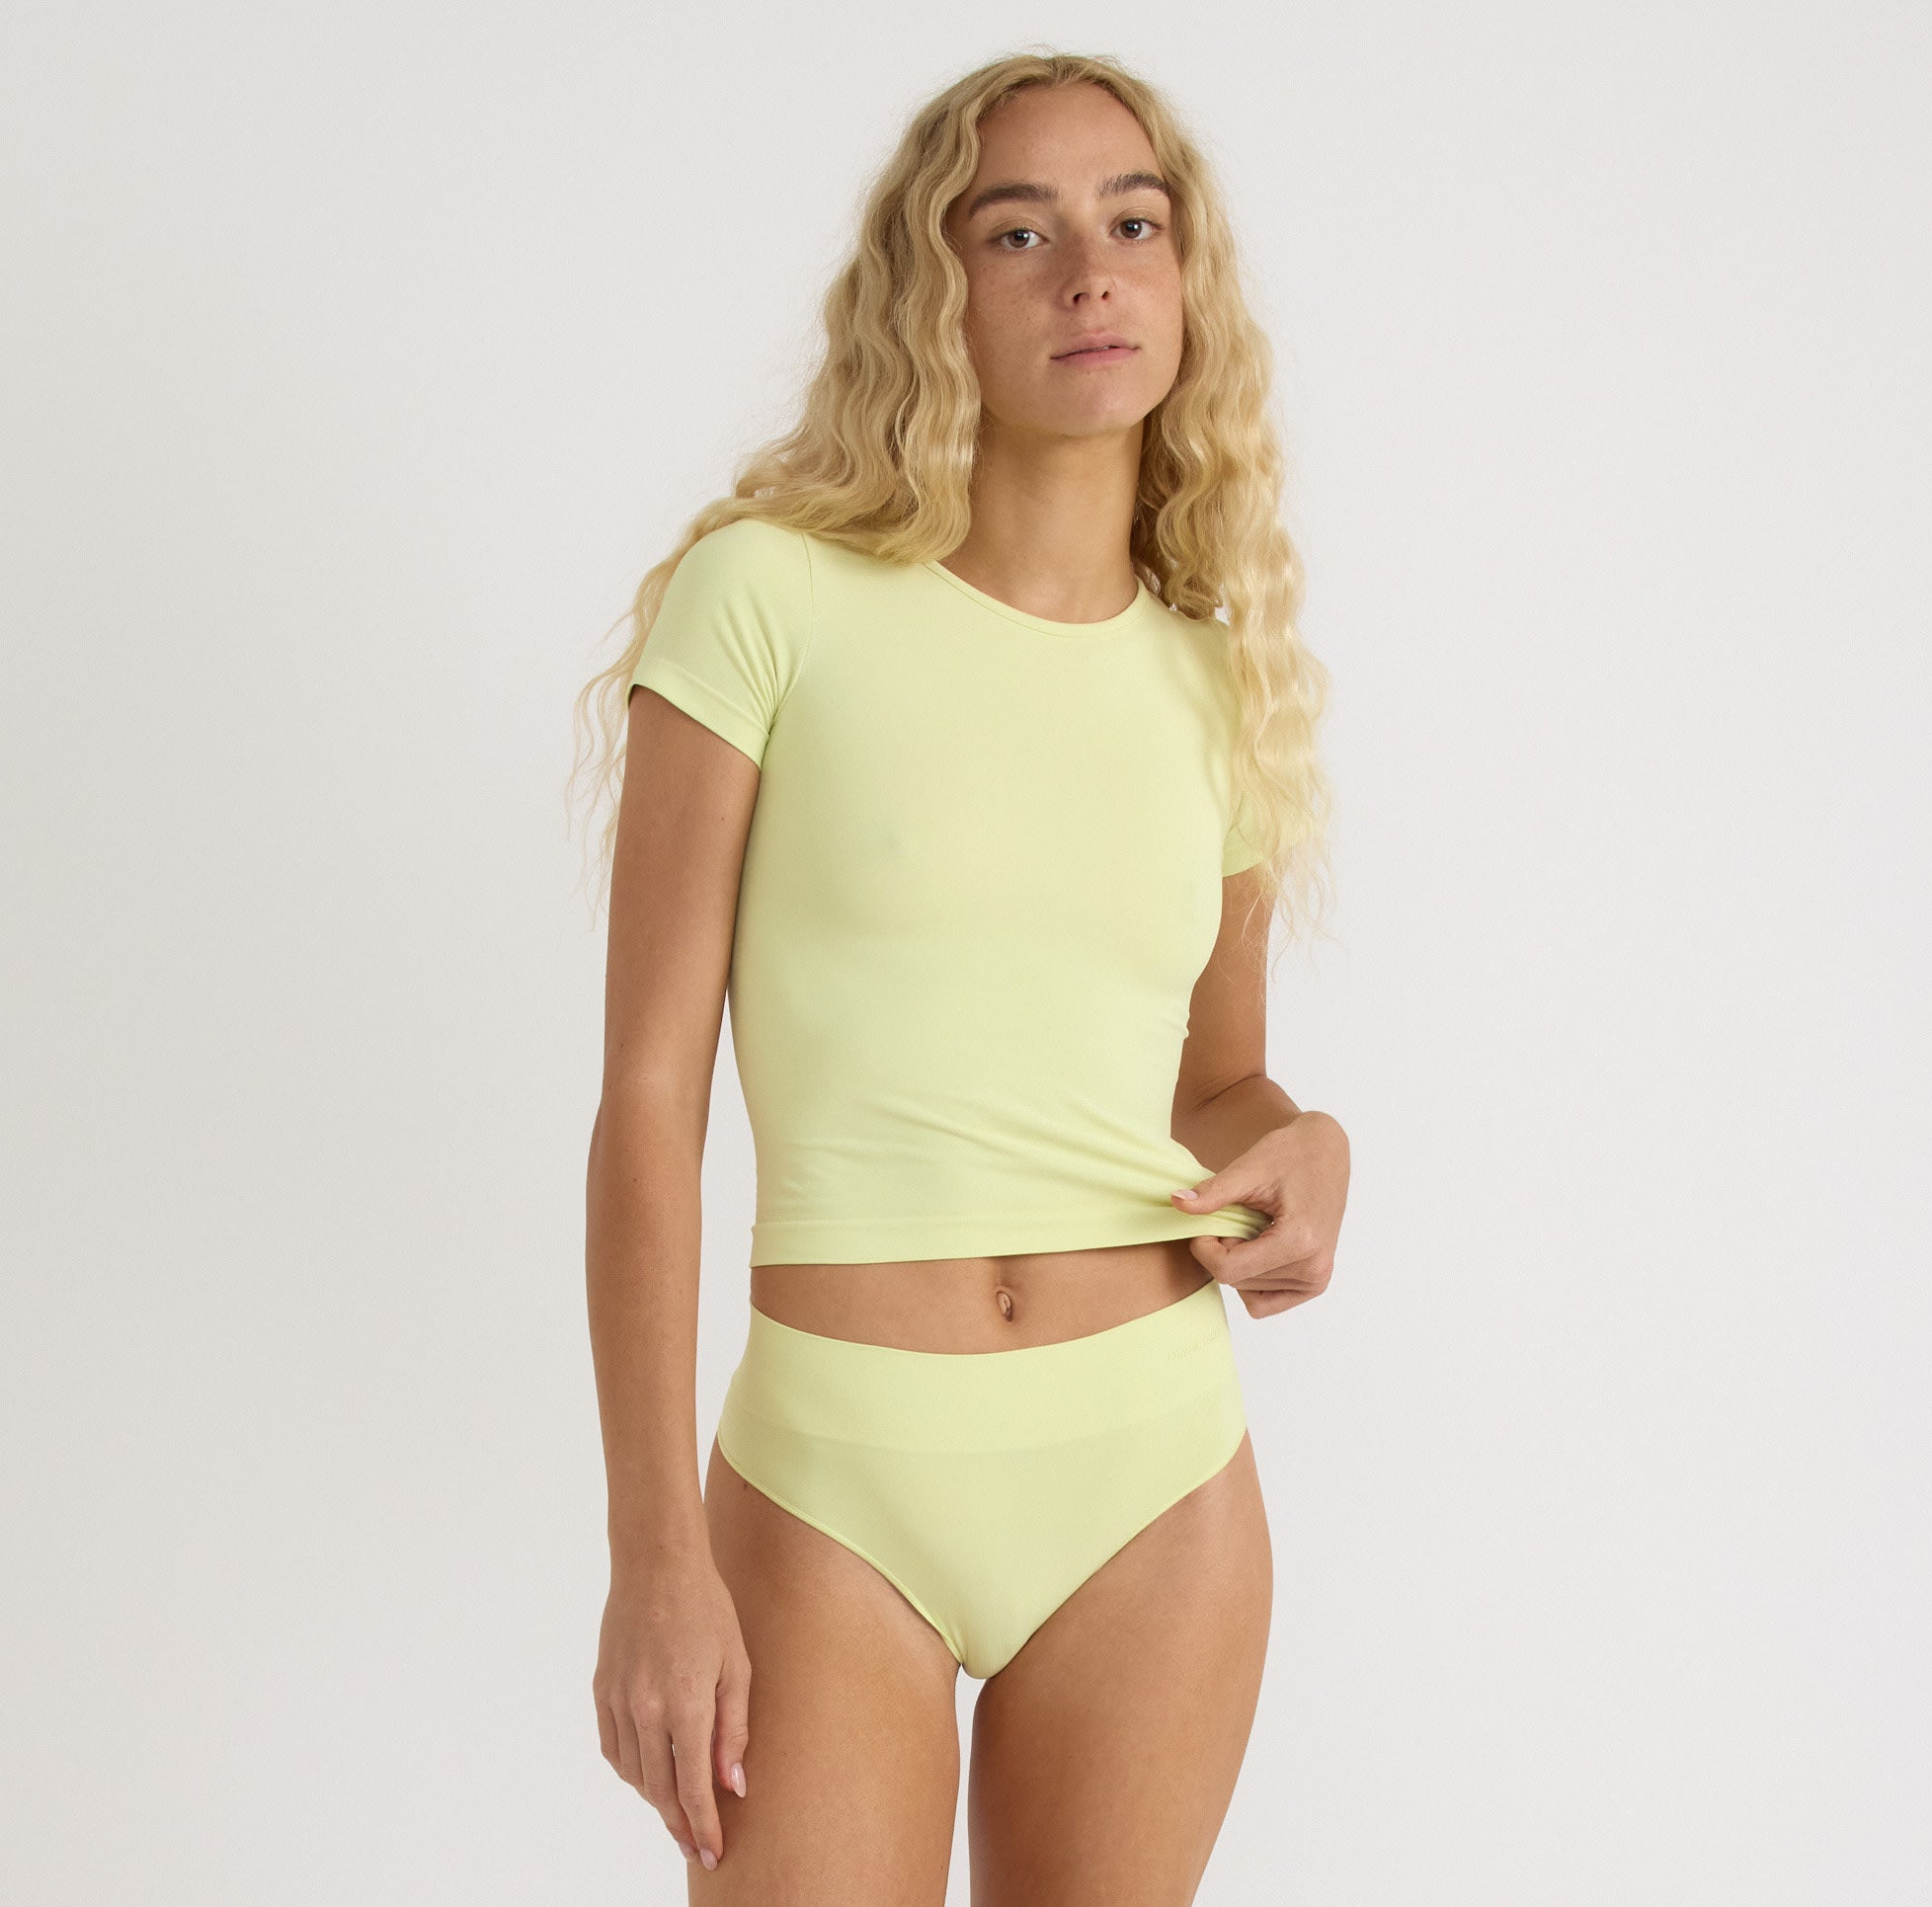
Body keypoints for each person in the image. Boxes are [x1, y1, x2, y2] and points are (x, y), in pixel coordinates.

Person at [570, 48, 1346, 1901]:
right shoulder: (767, 598)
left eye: (1134, 223)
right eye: (1020, 231)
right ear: (937, 290)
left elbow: (1214, 1083)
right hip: (837, 1472)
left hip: (1154, 1470)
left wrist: (1306, 1143)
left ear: (1186, 281)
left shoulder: (1218, 683)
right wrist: (654, 1553)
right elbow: (650, 1101)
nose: (1090, 272)